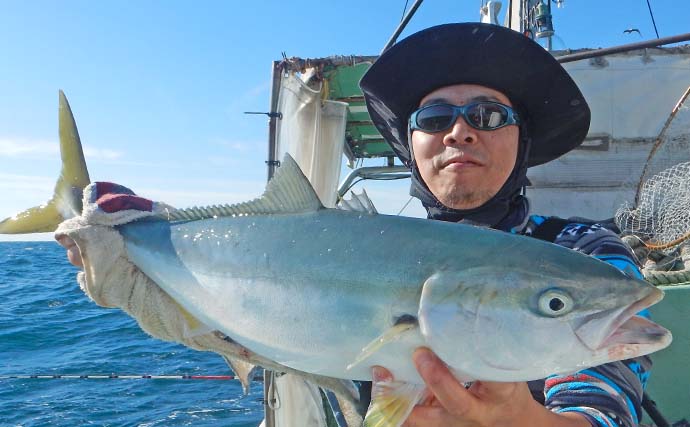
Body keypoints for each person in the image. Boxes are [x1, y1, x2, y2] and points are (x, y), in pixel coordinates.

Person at [357, 23, 651, 427]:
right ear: (412, 145)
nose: (459, 133)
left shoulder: (584, 254)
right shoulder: (367, 249)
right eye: (435, 118)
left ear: (521, 140)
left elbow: (601, 407)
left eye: (488, 115)